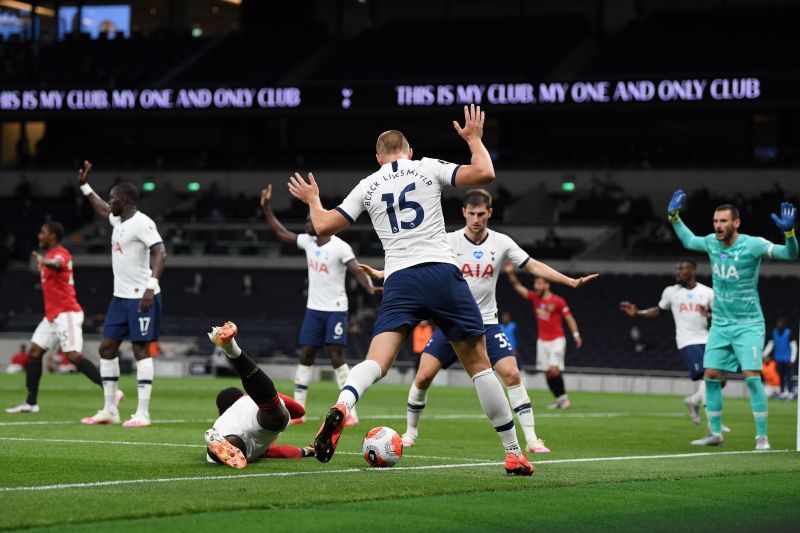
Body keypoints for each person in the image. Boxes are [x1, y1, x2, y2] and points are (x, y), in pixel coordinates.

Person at [289, 104, 575, 475]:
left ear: (378, 158)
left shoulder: (367, 185)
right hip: (442, 273)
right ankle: (513, 452)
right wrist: (474, 140)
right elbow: (485, 172)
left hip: (400, 280)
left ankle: (344, 404)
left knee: (377, 361)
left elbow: (324, 226)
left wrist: (313, 200)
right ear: (408, 151)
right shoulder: (426, 166)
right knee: (478, 365)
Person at [360, 189, 597, 453]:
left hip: (486, 323)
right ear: (463, 212)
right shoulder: (447, 241)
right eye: (471, 213)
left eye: (481, 214)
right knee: (423, 376)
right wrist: (386, 274)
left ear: (489, 213)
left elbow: (533, 266)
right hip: (450, 322)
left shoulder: (501, 242)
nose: (476, 219)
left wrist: (570, 281)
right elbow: (416, 262)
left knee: (512, 373)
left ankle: (531, 439)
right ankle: (410, 432)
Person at [667, 189, 798, 449]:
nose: (718, 226)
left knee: (751, 375)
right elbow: (689, 240)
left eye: (723, 221)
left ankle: (762, 437)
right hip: (721, 325)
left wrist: (789, 234)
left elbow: (789, 254)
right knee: (712, 375)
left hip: (748, 324)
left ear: (736, 223)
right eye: (716, 221)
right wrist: (673, 217)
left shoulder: (753, 244)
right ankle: (715, 433)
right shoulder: (712, 244)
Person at [260, 184, 377, 426]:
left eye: (308, 220)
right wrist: (266, 208)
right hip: (314, 309)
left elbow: (356, 270)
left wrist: (369, 287)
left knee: (336, 356)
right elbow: (281, 233)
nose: (305, 224)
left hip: (335, 309)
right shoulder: (308, 242)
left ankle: (349, 412)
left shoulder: (340, 247)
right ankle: (298, 410)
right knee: (306, 355)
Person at [76, 161, 168, 428]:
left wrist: (151, 286)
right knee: (107, 348)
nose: (110, 200)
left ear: (125, 200)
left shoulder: (142, 223)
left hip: (142, 296)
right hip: (120, 297)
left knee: (141, 350)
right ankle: (109, 410)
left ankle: (143, 413)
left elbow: (161, 252)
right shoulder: (118, 219)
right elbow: (100, 207)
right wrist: (84, 185)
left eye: (114, 196)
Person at [6, 223, 116, 415]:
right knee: (34, 353)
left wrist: (44, 262)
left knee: (72, 355)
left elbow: (58, 263)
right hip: (52, 316)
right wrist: (43, 261)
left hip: (67, 313)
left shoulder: (60, 253)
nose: (39, 235)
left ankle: (111, 391)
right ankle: (31, 403)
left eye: (43, 232)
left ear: (53, 236)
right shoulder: (48, 256)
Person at [205, 322, 314, 468]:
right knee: (276, 416)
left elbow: (276, 452)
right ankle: (233, 351)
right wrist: (305, 451)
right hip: (257, 417)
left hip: (226, 433)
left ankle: (216, 448)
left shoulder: (224, 420)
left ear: (222, 411)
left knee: (236, 445)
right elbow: (299, 412)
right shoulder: (246, 399)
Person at [619, 259, 714, 425]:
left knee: (719, 379)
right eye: (677, 269)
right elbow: (659, 311)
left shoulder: (707, 292)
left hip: (708, 339)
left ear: (692, 271)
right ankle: (714, 426)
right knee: (707, 376)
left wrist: (710, 315)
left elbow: (717, 316)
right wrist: (638, 313)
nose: (678, 272)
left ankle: (693, 400)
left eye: (682, 269)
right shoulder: (671, 292)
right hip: (687, 341)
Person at [505, 265, 584, 410]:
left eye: (539, 283)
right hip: (542, 341)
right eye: (536, 283)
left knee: (554, 369)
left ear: (547, 285)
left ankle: (564, 399)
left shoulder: (558, 301)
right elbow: (519, 288)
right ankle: (560, 399)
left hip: (557, 340)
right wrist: (510, 274)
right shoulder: (535, 298)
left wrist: (576, 334)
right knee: (547, 373)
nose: (536, 286)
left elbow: (569, 318)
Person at [762, 318, 797, 399]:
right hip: (778, 359)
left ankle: (790, 392)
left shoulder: (789, 333)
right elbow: (770, 345)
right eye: (778, 323)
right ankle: (782, 392)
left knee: (788, 376)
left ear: (784, 325)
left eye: (781, 323)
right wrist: (764, 354)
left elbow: (794, 346)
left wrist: (792, 359)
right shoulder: (774, 333)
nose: (779, 325)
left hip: (787, 360)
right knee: (780, 377)